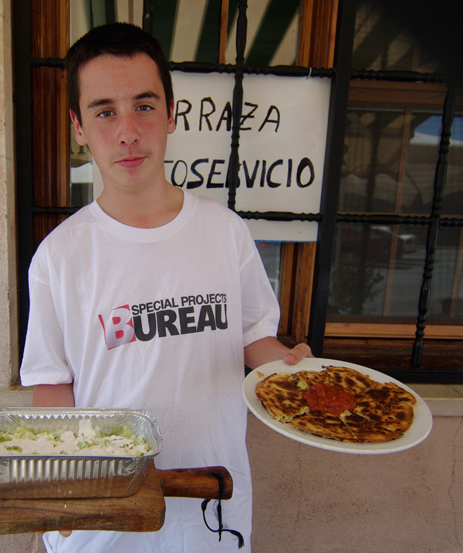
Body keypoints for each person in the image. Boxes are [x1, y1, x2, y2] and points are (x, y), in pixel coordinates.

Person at [20, 22, 312, 553]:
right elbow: (51, 387)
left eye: (145, 106)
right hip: (104, 523)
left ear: (172, 114)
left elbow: (252, 337)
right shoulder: (59, 258)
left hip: (211, 510)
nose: (127, 131)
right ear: (78, 127)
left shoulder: (225, 232)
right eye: (104, 111)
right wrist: (62, 495)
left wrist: (292, 368)